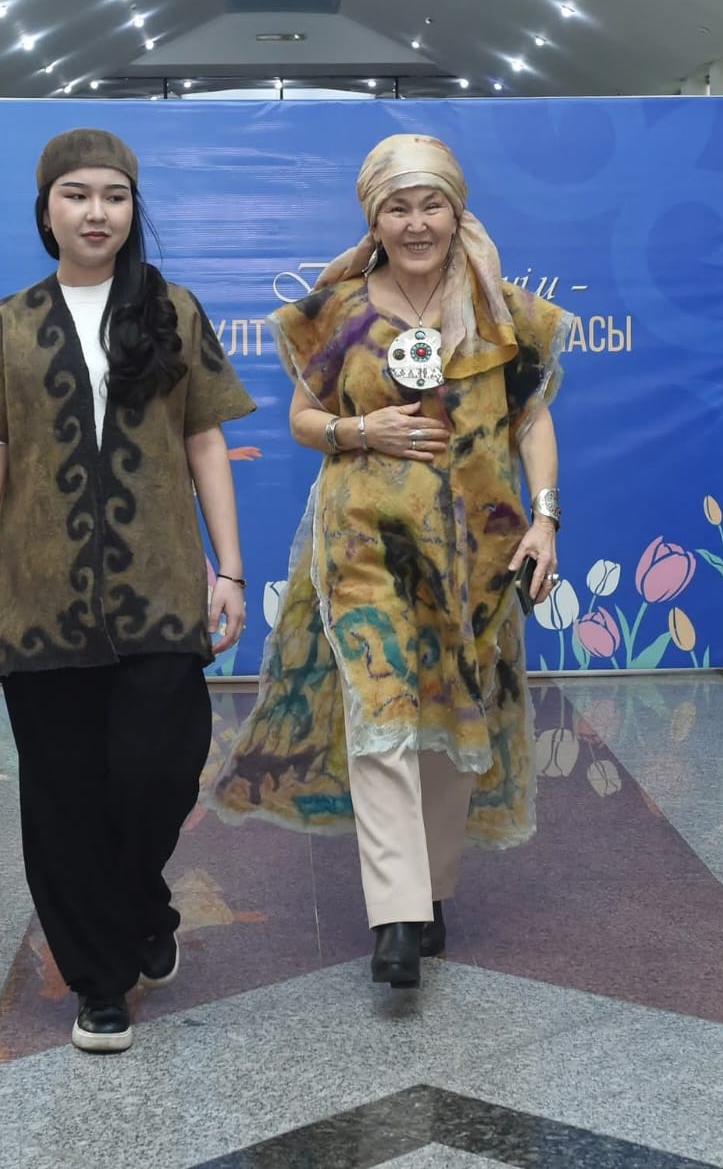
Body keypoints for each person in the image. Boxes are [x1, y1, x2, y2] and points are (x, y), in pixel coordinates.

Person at [213, 133, 570, 991]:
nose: (416, 223)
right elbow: (303, 418)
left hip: (476, 552)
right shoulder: (336, 313)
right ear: (373, 220)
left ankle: (431, 890)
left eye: (430, 204)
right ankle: (397, 916)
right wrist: (358, 429)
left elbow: (530, 422)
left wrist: (545, 520)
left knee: (448, 719)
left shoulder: (503, 313)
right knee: (382, 709)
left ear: (456, 211)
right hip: (363, 542)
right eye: (397, 208)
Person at [0, 128, 256, 1053]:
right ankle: (99, 981)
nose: (96, 212)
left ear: (132, 208)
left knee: (162, 767)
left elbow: (205, 441)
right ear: (46, 210)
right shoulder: (8, 325)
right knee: (63, 795)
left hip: (160, 587)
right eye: (75, 194)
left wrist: (230, 569)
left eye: (114, 196)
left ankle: (143, 901)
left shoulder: (173, 310)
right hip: (39, 597)